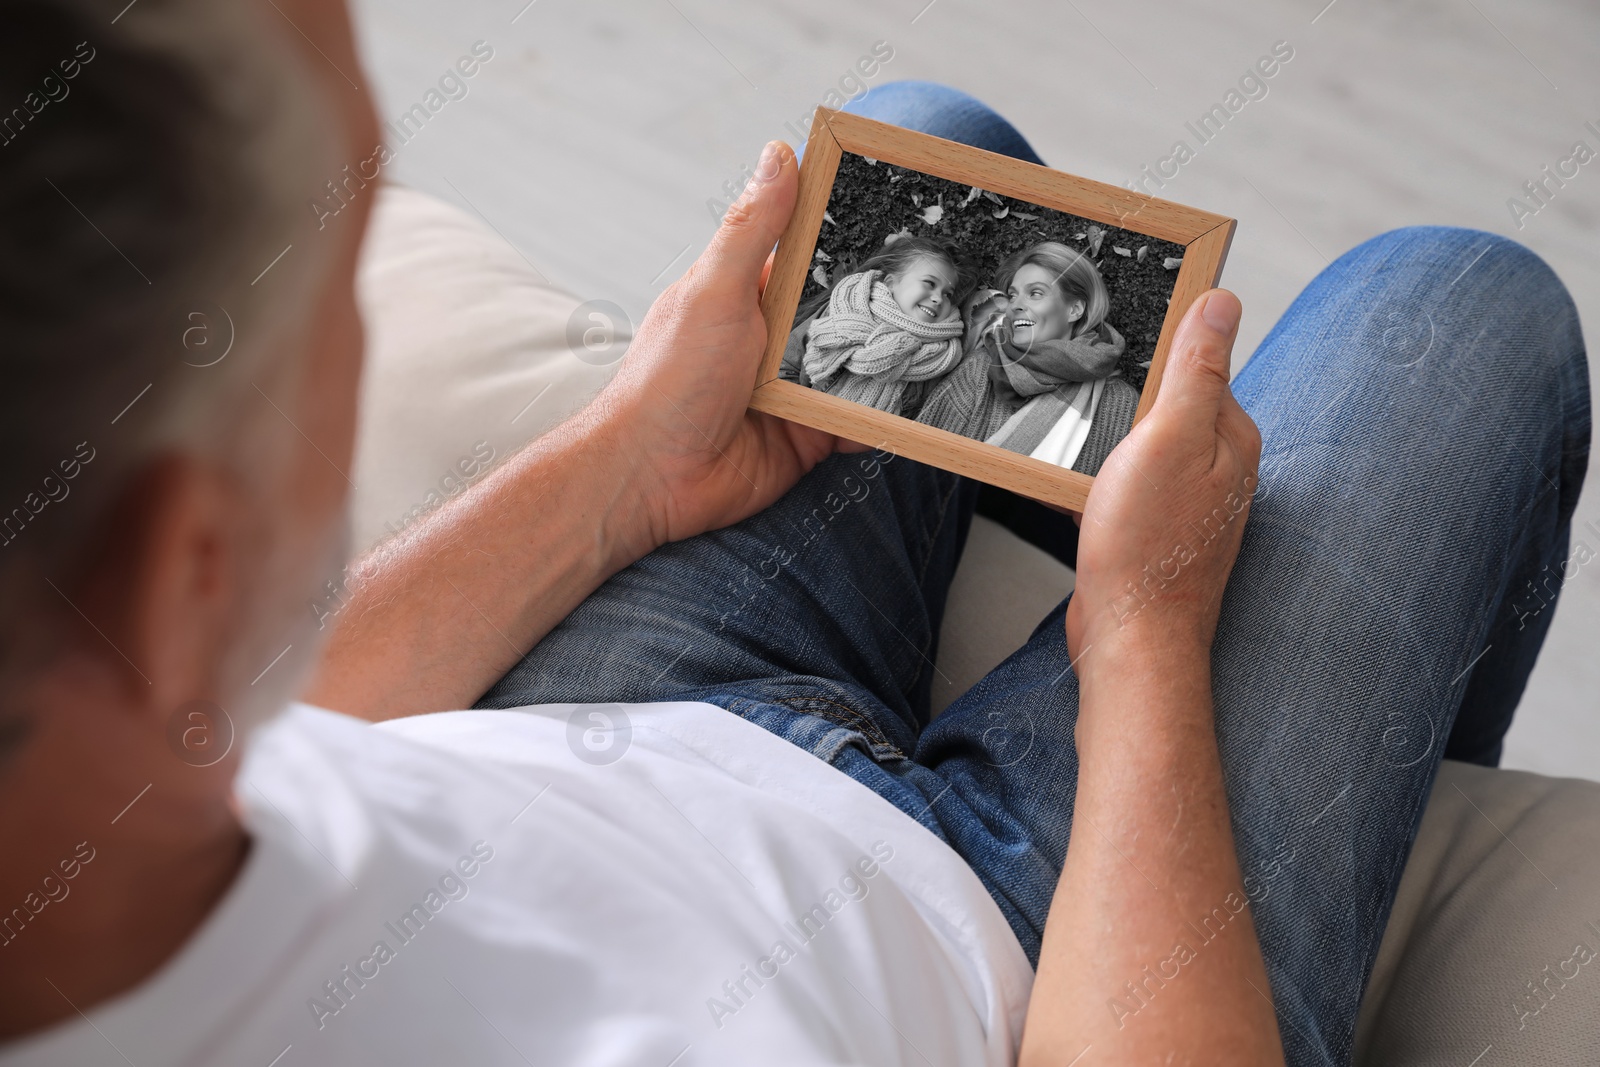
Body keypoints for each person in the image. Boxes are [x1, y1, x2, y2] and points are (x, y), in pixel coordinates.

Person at [0, 3, 1587, 1066]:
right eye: (329, 283)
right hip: (1034, 956)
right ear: (185, 565)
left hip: (618, 726)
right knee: (1458, 308)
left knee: (918, 129)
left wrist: (630, 462)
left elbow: (235, 742)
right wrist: (1148, 642)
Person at [918, 241, 1139, 474]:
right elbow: (916, 458)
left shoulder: (1119, 402)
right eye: (1012, 296)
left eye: (1035, 293)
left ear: (1074, 310)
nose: (1016, 306)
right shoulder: (982, 368)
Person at [782, 235, 971, 417]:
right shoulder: (846, 309)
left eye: (947, 294)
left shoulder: (938, 359)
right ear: (891, 283)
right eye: (929, 283)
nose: (938, 298)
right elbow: (785, 365)